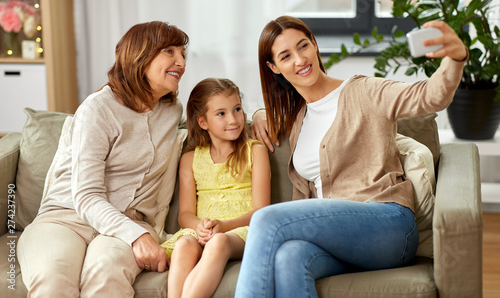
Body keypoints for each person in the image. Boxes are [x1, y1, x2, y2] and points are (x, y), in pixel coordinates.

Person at [234, 16, 468, 298]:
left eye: (303, 46)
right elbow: (256, 114)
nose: (299, 59)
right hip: (340, 241)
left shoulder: (364, 91)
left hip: (388, 226)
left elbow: (430, 96)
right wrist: (260, 115)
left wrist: (456, 58)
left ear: (315, 45)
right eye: (286, 56)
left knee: (266, 220)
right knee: (289, 257)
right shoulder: (297, 118)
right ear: (274, 67)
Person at [17, 21, 189, 297]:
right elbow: (86, 195)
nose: (180, 61)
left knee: (106, 277)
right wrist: (137, 236)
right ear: (140, 55)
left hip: (128, 222)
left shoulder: (171, 110)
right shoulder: (98, 109)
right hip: (66, 217)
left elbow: (216, 111)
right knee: (52, 281)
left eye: (183, 54)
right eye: (169, 51)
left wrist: (262, 116)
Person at [161, 78, 271, 298]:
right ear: (203, 122)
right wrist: (200, 226)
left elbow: (262, 210)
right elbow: (185, 214)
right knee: (184, 245)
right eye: (221, 114)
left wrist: (224, 226)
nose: (233, 119)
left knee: (218, 243)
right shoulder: (190, 159)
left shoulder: (255, 151)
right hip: (203, 230)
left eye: (237, 109)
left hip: (241, 230)